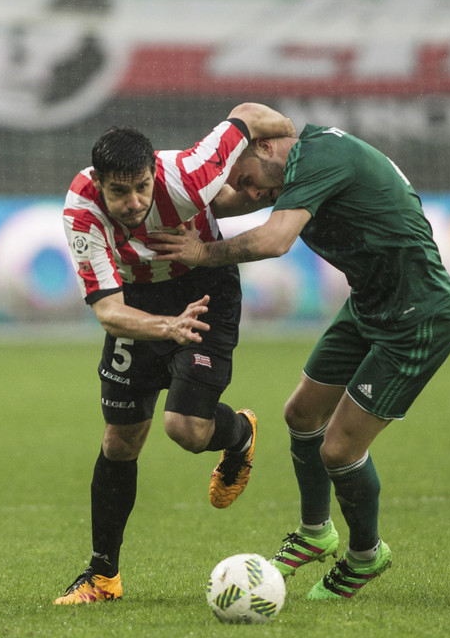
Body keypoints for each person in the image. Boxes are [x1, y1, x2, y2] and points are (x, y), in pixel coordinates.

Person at [150, 122, 450, 600]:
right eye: (245, 185)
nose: (252, 192)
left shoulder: (318, 158)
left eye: (249, 179)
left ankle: (365, 555)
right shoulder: (287, 167)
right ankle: (316, 532)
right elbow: (215, 199)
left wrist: (199, 253)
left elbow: (275, 241)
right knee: (301, 413)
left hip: (418, 317)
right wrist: (145, 198)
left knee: (339, 449)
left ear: (266, 146)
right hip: (370, 304)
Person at [54, 103, 296, 605]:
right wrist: (166, 327)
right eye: (119, 191)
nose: (133, 201)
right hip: (139, 305)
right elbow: (108, 311)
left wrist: (288, 146)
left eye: (142, 186)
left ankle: (241, 433)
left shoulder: (188, 175)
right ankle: (103, 577)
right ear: (99, 183)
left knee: (185, 430)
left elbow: (249, 116)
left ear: (153, 173)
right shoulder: (81, 212)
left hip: (205, 291)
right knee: (120, 441)